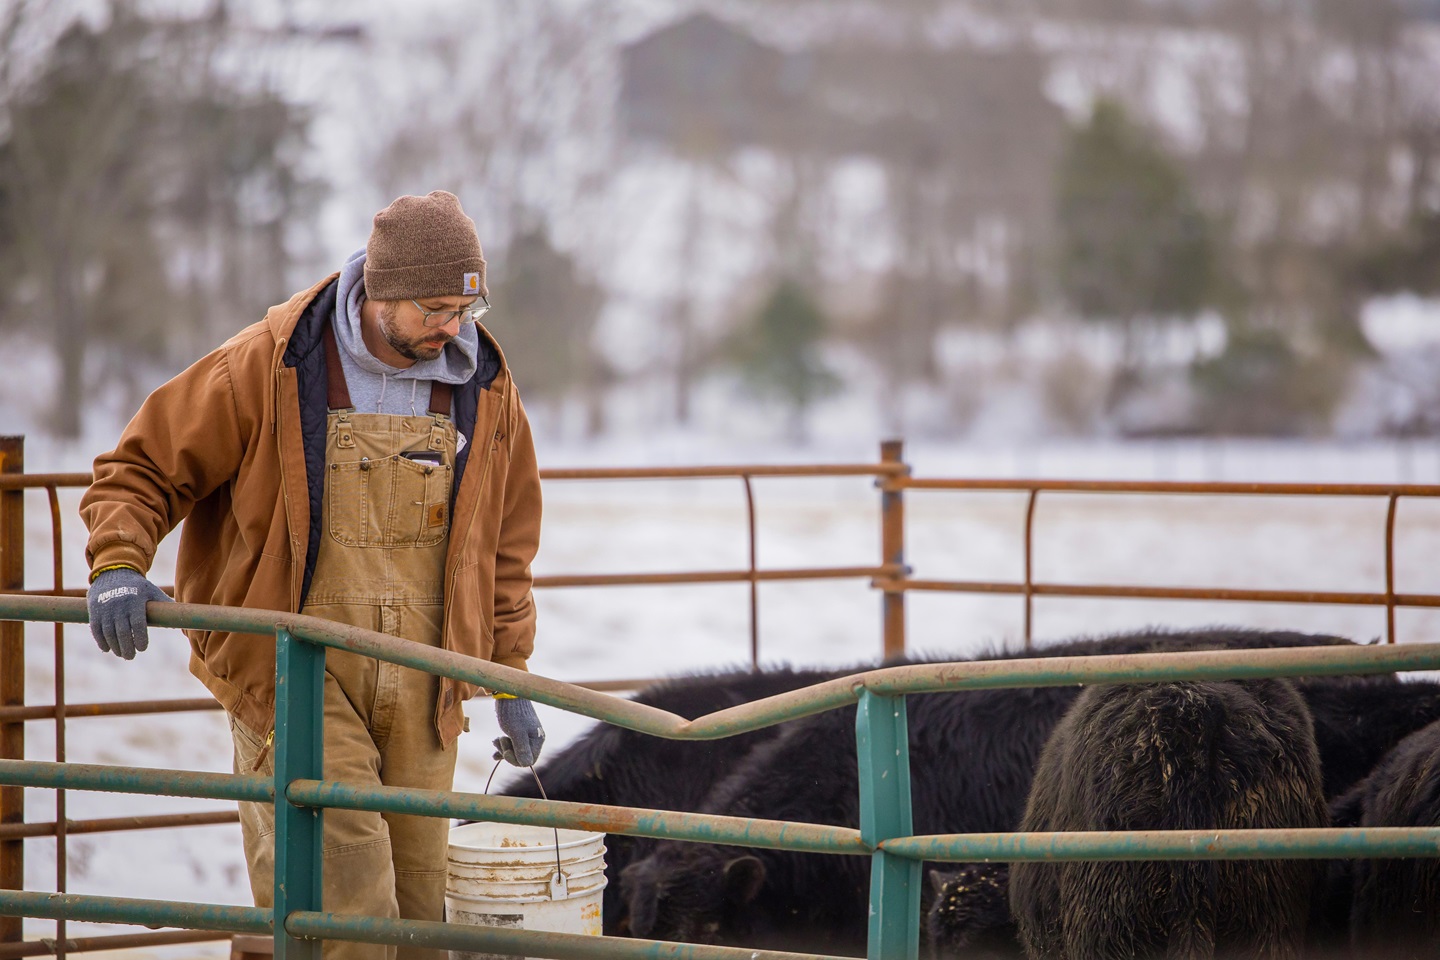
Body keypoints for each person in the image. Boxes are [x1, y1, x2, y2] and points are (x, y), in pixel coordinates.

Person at [78, 191, 545, 960]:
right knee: (346, 903)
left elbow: (505, 550)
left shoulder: (487, 393)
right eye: (434, 309)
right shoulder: (270, 364)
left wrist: (509, 679)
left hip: (427, 678)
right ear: (383, 291)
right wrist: (119, 565)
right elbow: (141, 469)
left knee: (422, 913)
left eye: (467, 308)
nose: (454, 328)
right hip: (296, 668)